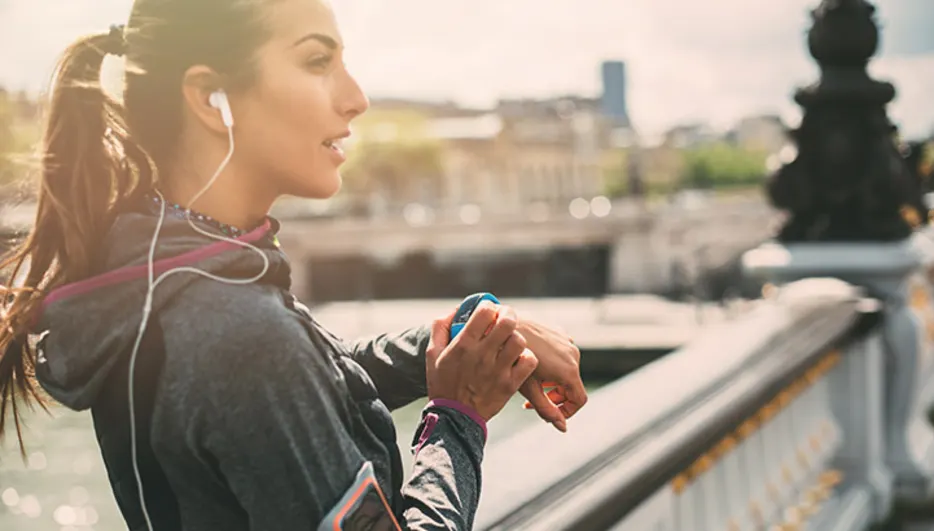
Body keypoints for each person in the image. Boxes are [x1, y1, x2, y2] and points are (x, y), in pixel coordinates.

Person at [0, 1, 588, 530]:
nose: (356, 96)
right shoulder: (236, 328)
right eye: (316, 62)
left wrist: (470, 334)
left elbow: (311, 385)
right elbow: (276, 372)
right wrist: (458, 416)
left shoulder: (165, 265)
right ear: (211, 98)